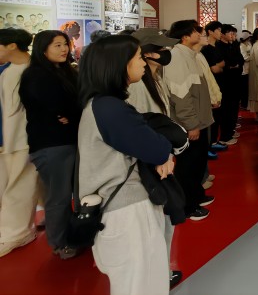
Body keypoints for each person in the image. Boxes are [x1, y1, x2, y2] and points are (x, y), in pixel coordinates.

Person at [77, 34, 173, 295]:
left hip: (122, 205)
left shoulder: (103, 104)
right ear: (119, 64)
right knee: (140, 283)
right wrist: (165, 152)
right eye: (138, 57)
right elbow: (156, 148)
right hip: (126, 208)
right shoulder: (110, 108)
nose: (143, 63)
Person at [126, 28, 186, 289]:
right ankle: (156, 276)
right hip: (151, 162)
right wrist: (160, 154)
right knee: (155, 220)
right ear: (146, 53)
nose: (166, 53)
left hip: (161, 156)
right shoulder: (137, 85)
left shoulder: (154, 78)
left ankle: (160, 271)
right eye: (161, 49)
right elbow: (141, 127)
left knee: (163, 219)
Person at [19, 30, 82, 259]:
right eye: (57, 45)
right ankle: (59, 243)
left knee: (72, 194)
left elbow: (76, 104)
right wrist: (69, 114)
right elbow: (58, 105)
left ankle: (76, 234)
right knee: (59, 196)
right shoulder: (36, 75)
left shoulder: (66, 71)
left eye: (65, 44)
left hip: (69, 140)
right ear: (42, 49)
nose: (64, 49)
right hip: (51, 144)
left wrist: (70, 115)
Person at [162, 20, 214, 221]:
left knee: (198, 163)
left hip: (199, 120)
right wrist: (191, 124)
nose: (200, 34)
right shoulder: (177, 57)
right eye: (196, 31)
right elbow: (181, 95)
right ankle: (187, 206)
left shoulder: (191, 55)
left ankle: (196, 196)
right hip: (190, 124)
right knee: (188, 166)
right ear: (184, 36)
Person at [0, 29, 39, 257]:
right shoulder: (8, 71)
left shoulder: (32, 71)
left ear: (12, 45)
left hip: (23, 139)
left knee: (19, 187)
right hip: (9, 139)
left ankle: (17, 232)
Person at [200, 21, 229, 151]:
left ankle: (213, 141)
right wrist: (220, 66)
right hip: (212, 84)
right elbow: (214, 69)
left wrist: (220, 66)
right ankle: (209, 143)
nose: (220, 33)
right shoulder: (206, 49)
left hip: (220, 83)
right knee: (213, 115)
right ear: (210, 32)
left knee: (218, 115)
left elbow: (223, 63)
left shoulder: (216, 46)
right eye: (218, 30)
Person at [217, 24, 243, 143]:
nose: (233, 36)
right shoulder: (218, 46)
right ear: (222, 34)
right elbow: (226, 63)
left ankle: (231, 130)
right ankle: (225, 135)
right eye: (230, 33)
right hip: (226, 81)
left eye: (234, 33)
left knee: (234, 106)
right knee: (226, 108)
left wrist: (235, 64)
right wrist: (232, 65)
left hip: (235, 79)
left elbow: (240, 60)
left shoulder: (233, 45)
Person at [239, 31, 252, 111]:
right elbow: (245, 58)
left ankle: (247, 104)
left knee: (248, 88)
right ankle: (244, 104)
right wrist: (252, 56)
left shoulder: (249, 44)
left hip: (249, 69)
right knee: (244, 89)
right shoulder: (242, 46)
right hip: (244, 70)